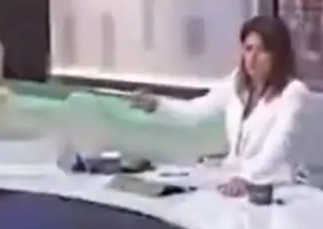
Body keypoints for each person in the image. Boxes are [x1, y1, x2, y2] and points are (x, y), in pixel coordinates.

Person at [128, 15, 307, 196]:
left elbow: (278, 147)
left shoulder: (293, 92)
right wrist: (157, 104)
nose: (252, 58)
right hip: (232, 181)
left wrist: (247, 177)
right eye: (248, 49)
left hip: (274, 187)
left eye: (262, 51)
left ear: (278, 55)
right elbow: (196, 110)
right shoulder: (235, 84)